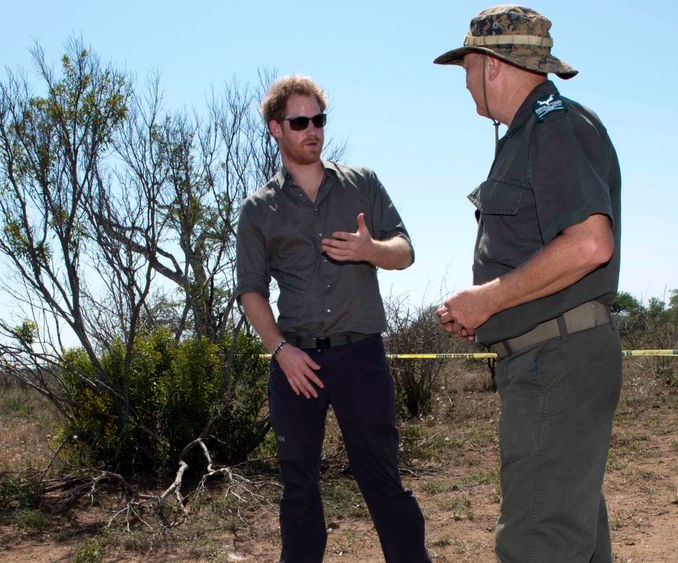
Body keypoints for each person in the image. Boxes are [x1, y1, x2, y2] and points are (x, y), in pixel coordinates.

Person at [433, 5, 622, 562]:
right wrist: (489, 313)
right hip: (551, 357)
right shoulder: (528, 133)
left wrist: (486, 298)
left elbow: (591, 243)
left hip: (555, 365)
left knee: (537, 545)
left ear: (492, 65)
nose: (464, 80)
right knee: (573, 543)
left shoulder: (553, 125)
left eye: (466, 65)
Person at [235, 75, 431, 563]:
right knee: (299, 490)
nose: (312, 130)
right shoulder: (259, 210)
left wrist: (371, 250)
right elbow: (250, 292)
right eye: (300, 122)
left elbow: (405, 252)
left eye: (318, 119)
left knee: (383, 479)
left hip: (361, 355)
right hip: (296, 363)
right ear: (276, 129)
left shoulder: (361, 184)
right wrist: (281, 352)